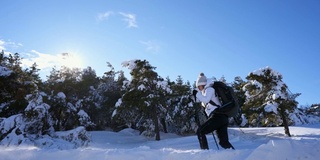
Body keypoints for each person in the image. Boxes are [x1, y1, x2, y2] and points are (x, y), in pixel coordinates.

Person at [193, 73, 234, 150]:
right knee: (223, 142)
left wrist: (197, 94)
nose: (199, 88)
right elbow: (204, 101)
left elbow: (206, 99)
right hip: (222, 117)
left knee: (200, 131)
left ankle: (205, 153)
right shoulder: (206, 91)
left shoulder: (210, 89)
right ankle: (235, 156)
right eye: (198, 87)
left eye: (199, 86)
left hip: (217, 116)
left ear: (203, 84)